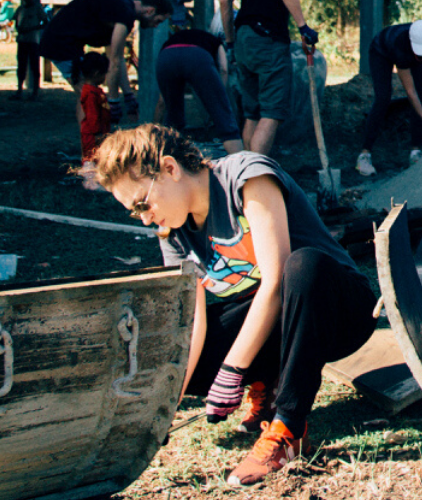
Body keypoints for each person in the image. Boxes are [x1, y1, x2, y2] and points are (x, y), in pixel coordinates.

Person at [85, 124, 375, 487]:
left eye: (143, 204)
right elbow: (191, 323)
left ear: (170, 169)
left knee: (301, 267)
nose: (144, 217)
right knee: (178, 353)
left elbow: (274, 282)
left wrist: (233, 368)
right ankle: (266, 386)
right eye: (134, 212)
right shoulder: (172, 231)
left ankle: (288, 426)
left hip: (338, 310)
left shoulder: (246, 177)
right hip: (281, 326)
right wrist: (162, 411)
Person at [356, 20, 422, 176]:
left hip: (409, 53)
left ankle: (415, 152)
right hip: (381, 51)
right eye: (420, 54)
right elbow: (410, 92)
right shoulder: (401, 46)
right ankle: (364, 155)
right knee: (383, 98)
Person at [218, 0, 321, 155]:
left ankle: (247, 172)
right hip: (268, 37)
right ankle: (256, 174)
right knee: (272, 113)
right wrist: (302, 26)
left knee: (252, 114)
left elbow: (224, 2)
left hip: (243, 37)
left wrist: (230, 41)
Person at [39, 0, 171, 121]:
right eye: (158, 21)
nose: (155, 26)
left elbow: (117, 59)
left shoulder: (121, 8)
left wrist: (128, 96)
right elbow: (113, 63)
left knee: (89, 95)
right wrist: (114, 102)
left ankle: (91, 141)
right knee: (87, 95)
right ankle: (89, 143)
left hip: (68, 40)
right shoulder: (125, 14)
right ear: (150, 11)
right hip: (59, 41)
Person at [155, 27, 244, 154]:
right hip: (198, 57)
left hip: (166, 56)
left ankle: (161, 155)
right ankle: (240, 162)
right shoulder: (214, 40)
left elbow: (161, 102)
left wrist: (154, 127)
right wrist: (218, 98)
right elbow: (224, 69)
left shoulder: (172, 41)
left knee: (173, 120)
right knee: (225, 120)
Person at [78, 53, 114, 163]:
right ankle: (89, 180)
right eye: (104, 74)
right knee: (91, 160)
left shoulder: (93, 91)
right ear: (96, 73)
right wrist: (98, 135)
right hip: (93, 137)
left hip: (98, 134)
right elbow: (92, 116)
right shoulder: (91, 94)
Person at [12, 0, 45, 101]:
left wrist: (32, 28)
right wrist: (19, 29)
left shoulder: (37, 9)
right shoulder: (21, 9)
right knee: (21, 65)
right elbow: (16, 22)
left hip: (33, 40)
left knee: (34, 66)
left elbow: (44, 22)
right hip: (22, 40)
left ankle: (35, 91)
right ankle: (19, 89)